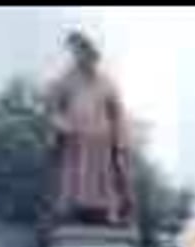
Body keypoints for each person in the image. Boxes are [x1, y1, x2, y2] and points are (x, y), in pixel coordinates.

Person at [46, 31, 135, 226]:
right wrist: (61, 124)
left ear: (93, 56)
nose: (84, 59)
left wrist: (121, 141)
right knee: (74, 178)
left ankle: (108, 213)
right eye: (78, 54)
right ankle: (71, 210)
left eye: (87, 55)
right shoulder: (66, 81)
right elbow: (53, 108)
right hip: (76, 140)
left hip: (101, 141)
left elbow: (117, 113)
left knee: (105, 178)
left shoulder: (107, 83)